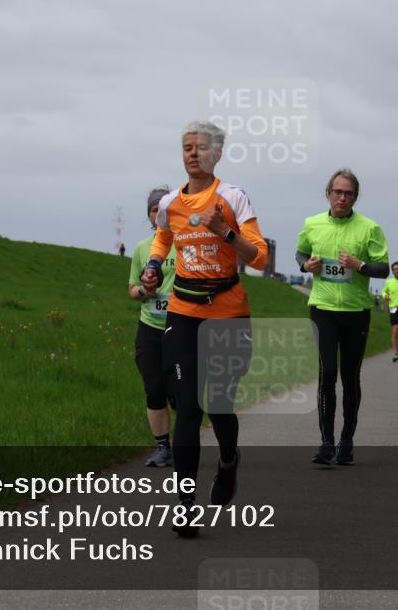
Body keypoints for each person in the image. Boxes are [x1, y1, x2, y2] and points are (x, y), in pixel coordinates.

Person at [140, 121, 269, 537]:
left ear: (216, 154)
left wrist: (224, 232)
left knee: (218, 405)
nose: (193, 153)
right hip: (182, 312)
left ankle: (229, 461)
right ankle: (185, 506)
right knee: (188, 410)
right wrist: (153, 266)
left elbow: (261, 259)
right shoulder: (171, 204)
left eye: (200, 148)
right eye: (186, 148)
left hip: (228, 313)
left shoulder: (232, 197)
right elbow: (163, 237)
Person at [296, 168, 389, 466]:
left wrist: (360, 265)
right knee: (327, 374)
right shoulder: (312, 224)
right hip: (322, 309)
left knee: (350, 379)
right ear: (329, 193)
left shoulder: (369, 228)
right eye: (338, 192)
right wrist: (305, 265)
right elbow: (299, 254)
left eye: (348, 193)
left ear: (356, 197)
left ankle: (347, 439)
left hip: (356, 313)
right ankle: (326, 443)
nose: (343, 197)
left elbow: (383, 269)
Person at [128, 187, 177, 468]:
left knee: (180, 391)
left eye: (164, 208)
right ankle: (162, 448)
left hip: (181, 326)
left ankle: (185, 445)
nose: (159, 213)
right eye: (154, 209)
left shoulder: (185, 244)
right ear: (149, 215)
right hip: (150, 327)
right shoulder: (141, 248)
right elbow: (132, 289)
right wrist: (144, 292)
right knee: (153, 387)